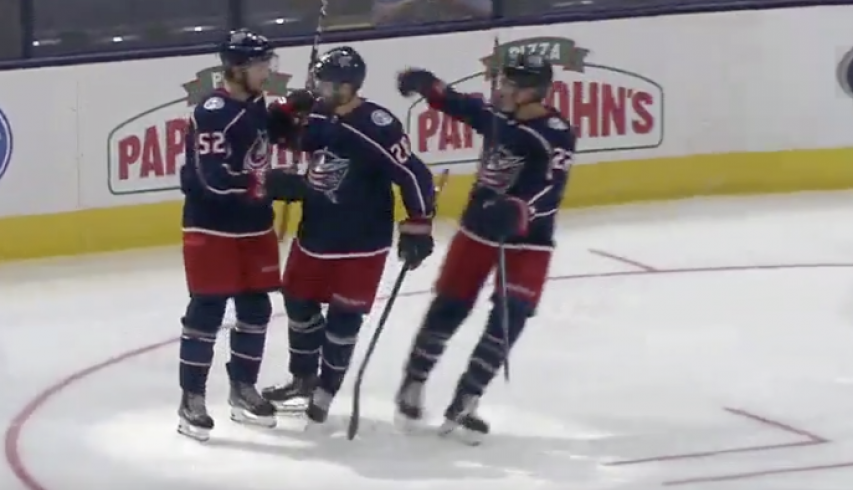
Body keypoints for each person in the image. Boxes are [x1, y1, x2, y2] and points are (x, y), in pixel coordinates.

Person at [393, 53, 576, 444]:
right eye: (503, 82)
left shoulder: (556, 132)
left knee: (511, 317)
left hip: (529, 239)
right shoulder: (500, 115)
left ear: (535, 92)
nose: (503, 90)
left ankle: (467, 398)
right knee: (450, 306)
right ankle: (413, 382)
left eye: (513, 85)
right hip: (478, 229)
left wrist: (519, 208)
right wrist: (431, 88)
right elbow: (465, 107)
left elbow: (552, 186)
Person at [262, 46, 437, 425]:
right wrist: (286, 112)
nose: (320, 88)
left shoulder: (376, 124)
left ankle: (327, 386)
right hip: (317, 233)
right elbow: (286, 138)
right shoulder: (320, 115)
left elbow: (413, 174)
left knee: (345, 317)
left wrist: (419, 223)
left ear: (349, 85)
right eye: (319, 81)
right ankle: (304, 377)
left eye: (327, 83)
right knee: (296, 301)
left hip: (363, 240)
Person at [176, 29, 282, 441]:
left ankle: (243, 388)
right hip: (211, 226)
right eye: (260, 64)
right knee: (207, 310)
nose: (267, 72)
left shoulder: (257, 103)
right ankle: (192, 399)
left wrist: (295, 114)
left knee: (256, 308)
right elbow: (212, 180)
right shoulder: (213, 111)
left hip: (253, 225)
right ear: (237, 68)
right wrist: (266, 185)